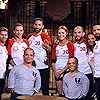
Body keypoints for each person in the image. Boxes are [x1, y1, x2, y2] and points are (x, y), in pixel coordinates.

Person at [26, 18, 51, 95]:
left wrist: (47, 47)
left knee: (45, 89)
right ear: (33, 25)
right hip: (31, 67)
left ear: (42, 26)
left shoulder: (45, 36)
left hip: (43, 66)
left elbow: (50, 49)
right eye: (36, 24)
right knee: (31, 88)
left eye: (39, 25)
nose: (37, 26)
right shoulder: (29, 36)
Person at [51, 25, 74, 96]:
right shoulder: (55, 45)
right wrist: (56, 72)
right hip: (57, 71)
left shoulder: (70, 45)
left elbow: (71, 61)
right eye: (59, 33)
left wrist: (61, 72)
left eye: (63, 33)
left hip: (66, 70)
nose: (61, 35)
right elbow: (52, 61)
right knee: (60, 93)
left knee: (66, 93)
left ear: (66, 33)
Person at [73, 26, 94, 100]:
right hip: (77, 73)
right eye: (75, 33)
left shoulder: (87, 42)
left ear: (83, 34)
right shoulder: (73, 45)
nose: (77, 34)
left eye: (79, 32)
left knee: (88, 95)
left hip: (87, 72)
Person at [0, 27, 8, 100]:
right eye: (2, 34)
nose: (4, 36)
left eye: (5, 34)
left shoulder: (5, 48)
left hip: (2, 76)